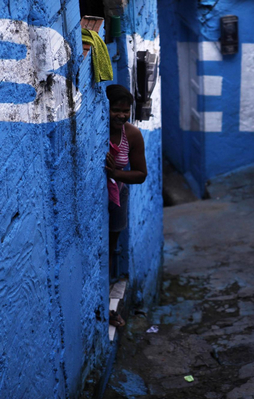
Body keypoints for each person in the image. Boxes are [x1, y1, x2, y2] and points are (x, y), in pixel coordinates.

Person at [105, 85, 147, 327]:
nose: (121, 115)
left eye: (125, 111)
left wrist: (116, 173)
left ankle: (107, 300)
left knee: (111, 247)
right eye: (115, 110)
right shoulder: (98, 129)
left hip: (118, 197)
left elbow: (141, 174)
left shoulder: (132, 135)